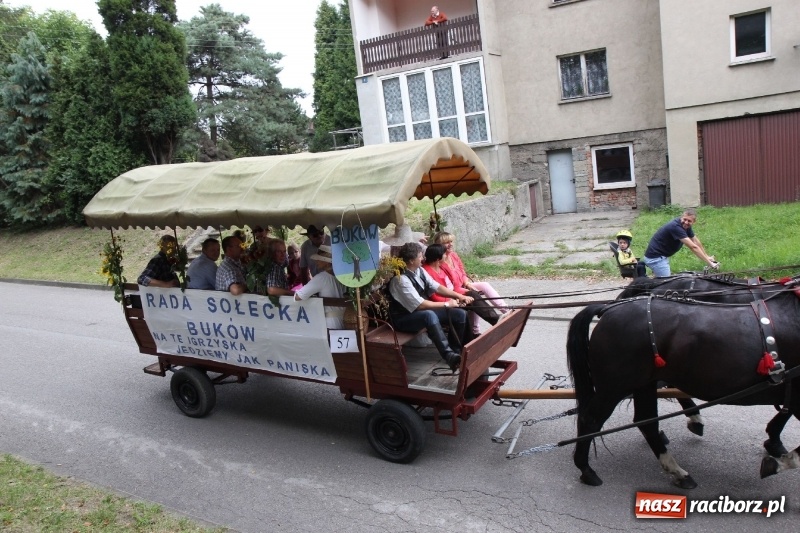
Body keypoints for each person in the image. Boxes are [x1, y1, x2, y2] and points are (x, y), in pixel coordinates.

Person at [388, 242, 473, 372]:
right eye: (420, 256)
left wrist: (459, 296)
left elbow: (436, 287)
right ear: (411, 260)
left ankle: (458, 352)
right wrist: (446, 304)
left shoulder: (419, 270)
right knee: (429, 315)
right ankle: (448, 355)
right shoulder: (400, 280)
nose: (423, 258)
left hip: (421, 313)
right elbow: (420, 305)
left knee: (459, 313)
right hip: (403, 318)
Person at [433, 231, 507, 313]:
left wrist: (467, 283)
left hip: (463, 285)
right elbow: (449, 286)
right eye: (447, 243)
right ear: (439, 245)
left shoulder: (453, 255)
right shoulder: (439, 262)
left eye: (451, 241)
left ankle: (506, 310)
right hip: (454, 291)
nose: (451, 244)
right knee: (473, 295)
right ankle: (476, 326)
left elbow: (462, 271)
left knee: (484, 285)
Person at [642, 209, 720, 277]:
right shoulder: (675, 227)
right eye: (684, 219)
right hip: (656, 258)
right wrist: (710, 263)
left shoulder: (686, 226)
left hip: (662, 256)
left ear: (694, 222)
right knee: (666, 284)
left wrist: (707, 256)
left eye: (689, 221)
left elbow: (695, 241)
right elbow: (693, 247)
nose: (686, 222)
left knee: (661, 281)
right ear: (681, 217)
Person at [294, 245, 346, 329]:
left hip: (330, 323)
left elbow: (299, 296)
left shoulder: (321, 278)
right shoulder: (342, 276)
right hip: (345, 321)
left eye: (319, 259)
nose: (316, 261)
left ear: (326, 262)